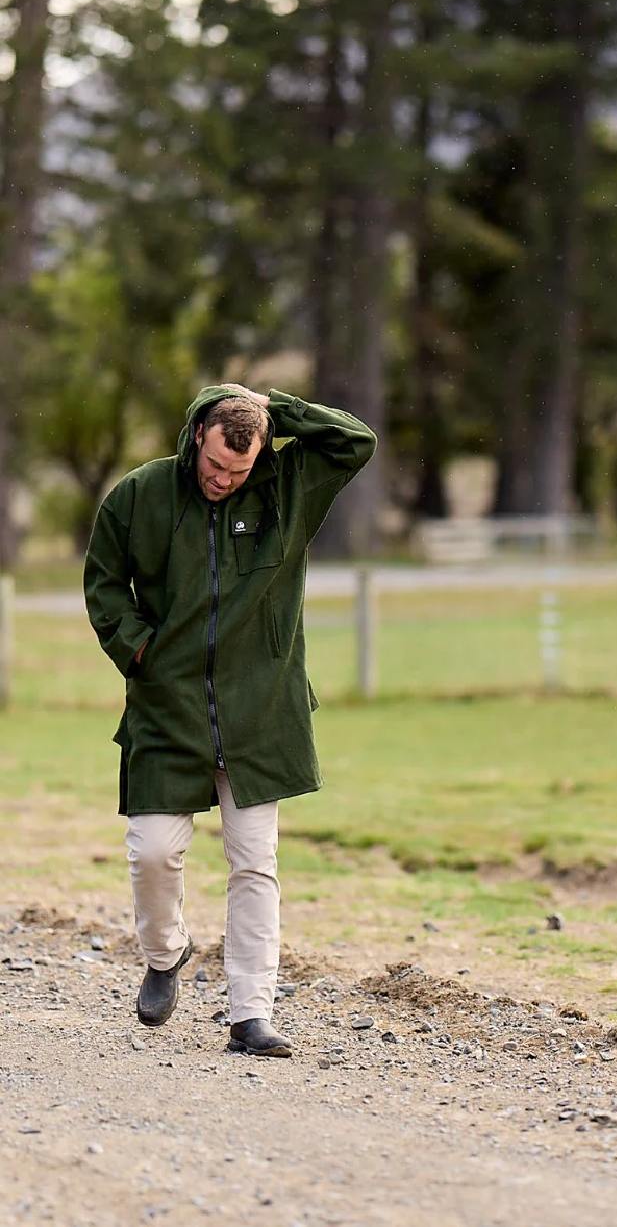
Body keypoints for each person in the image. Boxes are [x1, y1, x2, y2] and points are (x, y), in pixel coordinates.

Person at [83, 384, 376, 1057]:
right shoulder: (141, 494)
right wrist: (139, 650)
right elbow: (103, 581)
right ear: (196, 438)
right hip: (167, 706)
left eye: (238, 473)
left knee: (254, 863)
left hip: (260, 710)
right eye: (215, 466)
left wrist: (275, 408)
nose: (223, 481)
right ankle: (165, 955)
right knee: (153, 851)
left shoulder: (288, 489)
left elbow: (356, 441)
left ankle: (251, 1014)